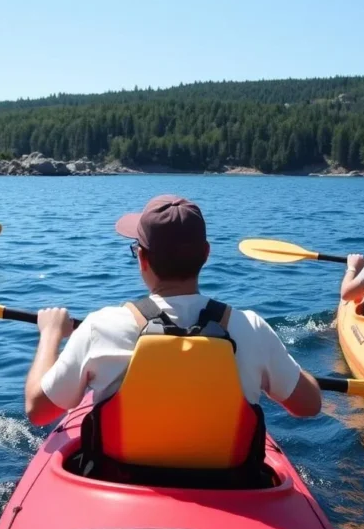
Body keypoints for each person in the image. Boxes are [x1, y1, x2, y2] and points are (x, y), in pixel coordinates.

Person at [21, 194, 324, 484]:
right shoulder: (252, 328)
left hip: (118, 483)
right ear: (206, 254)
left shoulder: (100, 327)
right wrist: (283, 365)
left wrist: (50, 335)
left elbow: (39, 410)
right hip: (231, 488)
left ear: (141, 257)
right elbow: (308, 405)